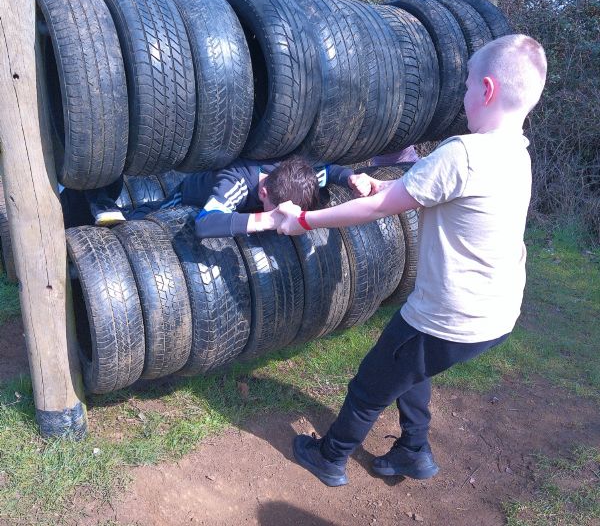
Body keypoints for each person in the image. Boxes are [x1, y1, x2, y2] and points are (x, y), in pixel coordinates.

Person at [273, 34, 547, 487]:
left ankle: (330, 456)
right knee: (413, 362)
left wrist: (303, 219)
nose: (463, 95)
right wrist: (385, 185)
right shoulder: (515, 152)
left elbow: (378, 211)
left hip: (451, 315)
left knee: (371, 383)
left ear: (487, 90)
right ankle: (413, 452)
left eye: (467, 85)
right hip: (496, 314)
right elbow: (430, 189)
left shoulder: (464, 153)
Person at [76, 156, 373, 238]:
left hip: (242, 198)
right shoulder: (236, 183)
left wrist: (351, 178)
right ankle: (104, 204)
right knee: (155, 215)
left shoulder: (293, 178)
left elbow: (328, 172)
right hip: (191, 195)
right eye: (275, 206)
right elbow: (205, 224)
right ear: (263, 192)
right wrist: (269, 219)